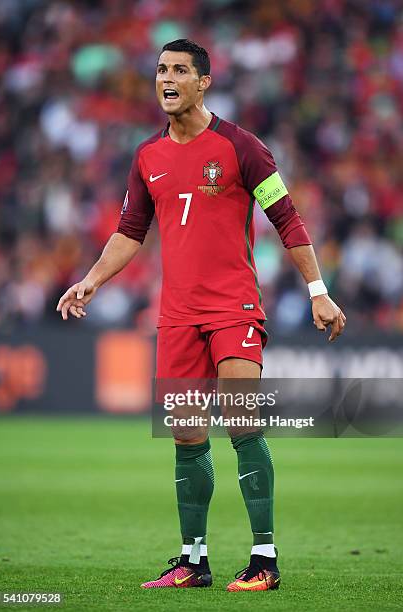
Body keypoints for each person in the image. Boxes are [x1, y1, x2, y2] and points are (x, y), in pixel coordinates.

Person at [57, 39, 346, 592]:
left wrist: (317, 290)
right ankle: (193, 561)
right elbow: (129, 232)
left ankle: (265, 559)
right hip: (177, 316)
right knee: (187, 437)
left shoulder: (242, 147)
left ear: (203, 81)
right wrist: (91, 280)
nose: (166, 78)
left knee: (242, 422)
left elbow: (287, 218)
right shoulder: (147, 157)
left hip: (233, 306)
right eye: (161, 69)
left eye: (179, 70)